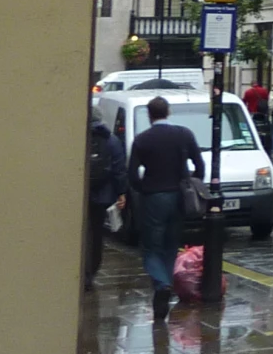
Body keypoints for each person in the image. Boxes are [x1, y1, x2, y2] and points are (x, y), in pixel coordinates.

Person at [128, 95, 204, 325]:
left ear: (150, 115)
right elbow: (199, 165)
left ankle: (162, 284)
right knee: (171, 244)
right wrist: (191, 183)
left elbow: (132, 175)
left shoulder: (142, 140)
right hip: (179, 196)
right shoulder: (184, 134)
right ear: (168, 112)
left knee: (151, 248)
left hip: (154, 197)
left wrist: (144, 189)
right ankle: (164, 284)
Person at [85, 110, 123, 289]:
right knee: (96, 234)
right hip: (101, 196)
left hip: (82, 196)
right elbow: (118, 170)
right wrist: (121, 193)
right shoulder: (111, 140)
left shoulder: (80, 136)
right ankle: (91, 272)